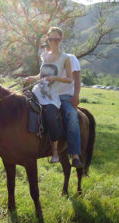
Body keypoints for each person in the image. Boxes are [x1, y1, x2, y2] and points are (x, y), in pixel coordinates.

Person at [25, 27, 72, 163]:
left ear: (61, 39)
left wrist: (55, 78)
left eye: (56, 39)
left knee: (51, 117)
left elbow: (70, 79)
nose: (53, 42)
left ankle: (55, 152)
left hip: (51, 95)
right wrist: (32, 78)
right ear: (48, 40)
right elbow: (42, 75)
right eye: (51, 39)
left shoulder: (65, 58)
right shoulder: (44, 55)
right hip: (37, 90)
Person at [41, 39, 84, 168]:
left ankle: (75, 155)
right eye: (45, 45)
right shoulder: (47, 59)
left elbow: (76, 78)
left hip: (64, 97)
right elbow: (42, 76)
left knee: (71, 117)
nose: (46, 48)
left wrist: (76, 96)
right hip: (48, 95)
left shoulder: (70, 58)